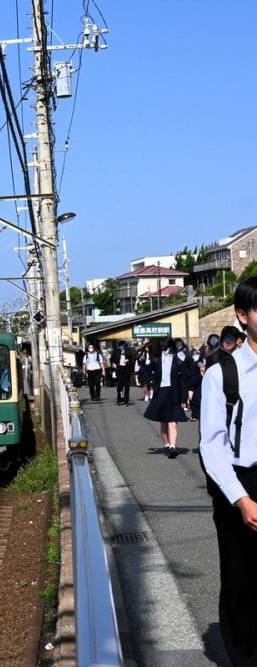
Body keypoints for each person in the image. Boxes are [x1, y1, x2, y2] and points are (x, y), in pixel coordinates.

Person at [199, 277, 257, 665]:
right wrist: (241, 499)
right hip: (240, 482)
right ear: (242, 316)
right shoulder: (224, 373)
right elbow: (212, 444)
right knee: (241, 583)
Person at [143, 338, 189, 458]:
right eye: (163, 345)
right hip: (161, 392)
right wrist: (151, 383)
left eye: (167, 345)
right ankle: (167, 444)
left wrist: (184, 398)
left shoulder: (178, 358)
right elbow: (146, 371)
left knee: (173, 422)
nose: (165, 348)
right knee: (163, 423)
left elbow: (183, 379)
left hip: (174, 392)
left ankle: (173, 446)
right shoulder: (156, 358)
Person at [111, 341, 135, 406]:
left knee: (127, 386)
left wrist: (128, 360)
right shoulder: (116, 352)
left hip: (127, 370)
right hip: (119, 369)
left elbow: (133, 359)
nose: (122, 347)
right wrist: (113, 364)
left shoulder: (129, 352)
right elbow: (112, 359)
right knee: (119, 386)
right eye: (121, 346)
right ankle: (119, 399)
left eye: (123, 346)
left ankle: (126, 401)